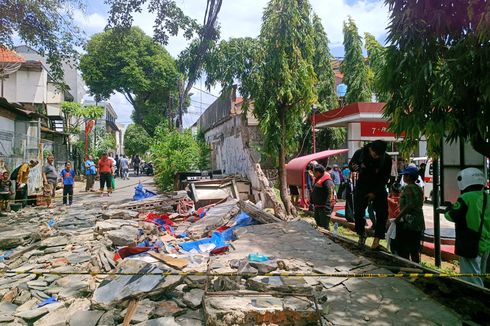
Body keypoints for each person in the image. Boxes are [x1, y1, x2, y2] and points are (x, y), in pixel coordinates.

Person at [444, 168, 489, 287]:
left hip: (470, 241)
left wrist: (448, 209)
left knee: (471, 277)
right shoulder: (487, 196)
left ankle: (476, 300)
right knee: (480, 273)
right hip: (486, 242)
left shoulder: (466, 197)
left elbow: (452, 215)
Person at [349, 140, 391, 249]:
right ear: (370, 149)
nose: (376, 156)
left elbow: (385, 178)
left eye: (379, 155)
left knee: (382, 213)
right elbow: (351, 165)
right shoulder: (360, 153)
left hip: (379, 187)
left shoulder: (386, 159)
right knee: (358, 212)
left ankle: (377, 240)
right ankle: (361, 233)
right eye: (375, 154)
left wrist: (375, 192)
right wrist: (355, 167)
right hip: (362, 185)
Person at [393, 166, 425, 262]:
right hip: (419, 220)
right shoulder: (419, 188)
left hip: (409, 222)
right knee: (415, 247)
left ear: (409, 177)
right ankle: (416, 266)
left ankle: (407, 265)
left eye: (405, 175)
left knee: (405, 246)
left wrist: (398, 217)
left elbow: (409, 205)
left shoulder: (408, 188)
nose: (403, 177)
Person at [310, 164, 335, 230]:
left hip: (324, 208)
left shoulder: (327, 181)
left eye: (314, 172)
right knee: (318, 223)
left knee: (324, 226)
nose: (313, 174)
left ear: (318, 172)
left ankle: (327, 239)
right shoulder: (318, 179)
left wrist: (327, 208)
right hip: (318, 206)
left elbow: (330, 194)